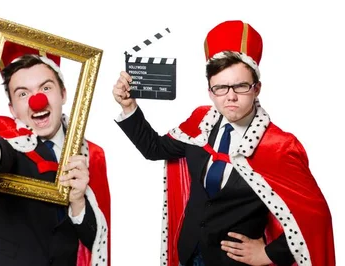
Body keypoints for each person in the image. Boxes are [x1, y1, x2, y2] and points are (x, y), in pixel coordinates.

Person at [113, 20, 335, 266]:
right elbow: (154, 149)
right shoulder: (200, 123)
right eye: (220, 87)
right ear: (210, 91)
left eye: (240, 86)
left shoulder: (279, 146)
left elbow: (316, 218)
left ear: (256, 88)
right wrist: (128, 107)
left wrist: (270, 254)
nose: (230, 96)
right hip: (188, 252)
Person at [0, 41, 111, 266]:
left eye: (46, 88)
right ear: (12, 109)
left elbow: (96, 244)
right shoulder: (5, 135)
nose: (37, 101)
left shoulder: (91, 155)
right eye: (22, 94)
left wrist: (78, 202)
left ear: (63, 94)